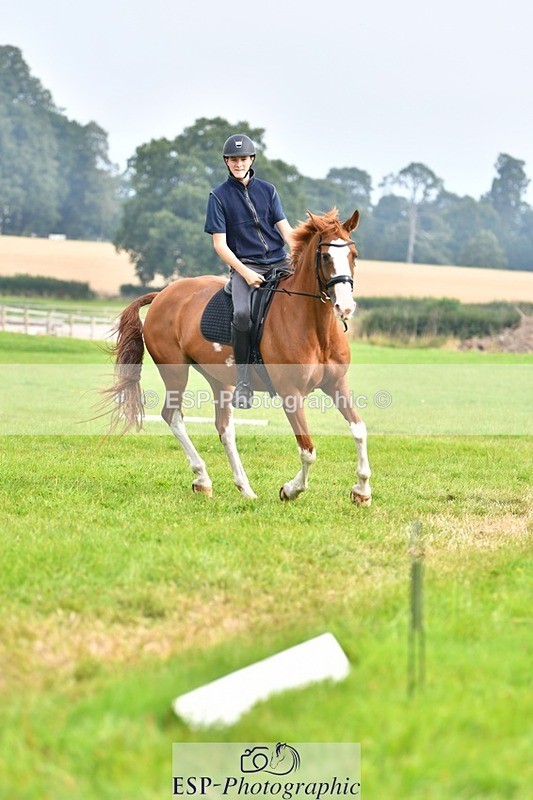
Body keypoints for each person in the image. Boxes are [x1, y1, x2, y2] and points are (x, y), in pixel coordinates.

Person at [204, 134, 293, 409]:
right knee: (242, 315)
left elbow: (286, 231)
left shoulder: (268, 190)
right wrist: (244, 272)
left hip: (280, 262)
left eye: (243, 159)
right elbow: (220, 245)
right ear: (226, 162)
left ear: (252, 159)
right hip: (246, 266)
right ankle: (243, 382)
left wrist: (298, 256)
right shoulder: (218, 197)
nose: (238, 163)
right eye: (233, 159)